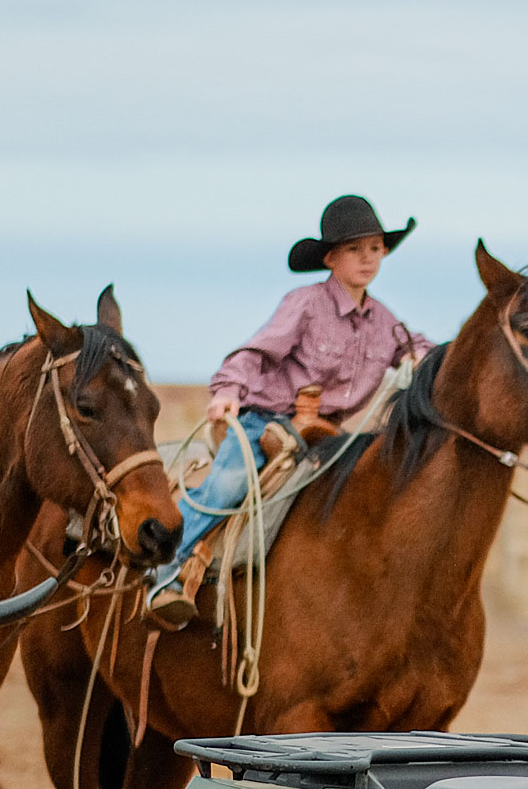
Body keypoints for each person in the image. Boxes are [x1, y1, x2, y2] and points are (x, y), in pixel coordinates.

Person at [145, 194, 432, 629]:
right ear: (331, 258)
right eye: (355, 249)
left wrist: (441, 362)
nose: (367, 258)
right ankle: (162, 572)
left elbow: (421, 350)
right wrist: (227, 391)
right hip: (266, 421)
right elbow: (256, 352)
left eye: (375, 248)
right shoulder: (304, 303)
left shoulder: (385, 322)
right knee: (227, 486)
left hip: (327, 436)